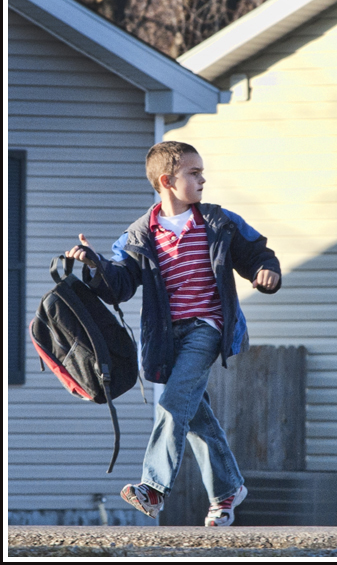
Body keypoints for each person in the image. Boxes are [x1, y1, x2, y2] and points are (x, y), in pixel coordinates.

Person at [65, 141, 281, 527]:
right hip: (167, 335)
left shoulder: (218, 221)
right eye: (194, 173)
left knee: (172, 401)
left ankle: (153, 487)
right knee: (194, 413)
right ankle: (227, 489)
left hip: (208, 326)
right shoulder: (138, 236)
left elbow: (257, 252)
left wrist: (267, 272)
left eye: (201, 172)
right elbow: (121, 284)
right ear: (167, 180)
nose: (202, 179)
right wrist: (94, 264)